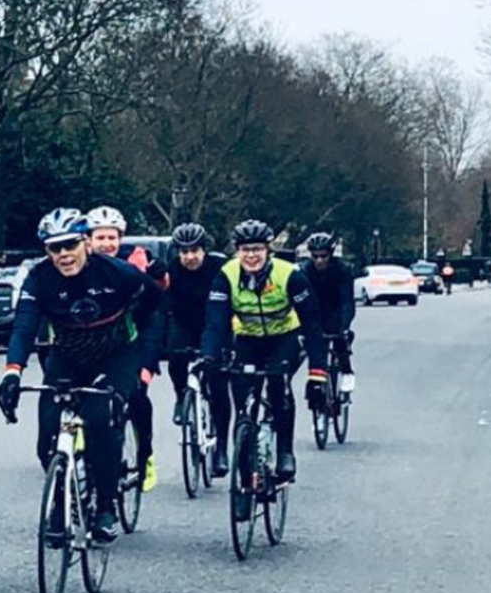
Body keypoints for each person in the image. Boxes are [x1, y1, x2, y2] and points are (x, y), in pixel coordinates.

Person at [0, 208, 163, 543]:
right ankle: (61, 502)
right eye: (54, 248)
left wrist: (144, 352)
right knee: (47, 435)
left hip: (115, 353)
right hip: (68, 355)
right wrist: (12, 373)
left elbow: (154, 303)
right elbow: (24, 326)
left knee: (100, 419)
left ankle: (106, 507)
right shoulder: (39, 279)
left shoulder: (117, 272)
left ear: (86, 242)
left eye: (70, 245)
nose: (64, 254)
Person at [201, 220, 327, 483]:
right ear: (237, 251)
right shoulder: (226, 275)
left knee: (278, 384)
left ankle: (285, 451)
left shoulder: (289, 275)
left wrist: (317, 373)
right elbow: (215, 323)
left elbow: (313, 326)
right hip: (248, 339)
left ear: (269, 250)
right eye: (245, 250)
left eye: (257, 249)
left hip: (285, 337)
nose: (251, 255)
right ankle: (245, 470)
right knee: (242, 400)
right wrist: (210, 357)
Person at [84, 205, 159, 490]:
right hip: (100, 343)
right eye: (100, 238)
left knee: (137, 393)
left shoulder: (133, 267)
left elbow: (154, 313)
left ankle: (145, 454)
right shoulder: (81, 267)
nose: (106, 244)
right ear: (89, 240)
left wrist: (147, 364)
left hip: (136, 336)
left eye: (112, 238)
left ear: (120, 239)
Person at [161, 224, 225, 474]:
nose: (189, 257)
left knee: (218, 384)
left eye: (194, 251)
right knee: (175, 359)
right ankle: (181, 397)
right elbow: (164, 304)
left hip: (214, 324)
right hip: (184, 323)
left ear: (204, 250)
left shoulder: (219, 267)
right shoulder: (172, 270)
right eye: (184, 252)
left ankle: (220, 448)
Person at [298, 232, 357, 414]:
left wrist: (344, 327)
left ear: (331, 255)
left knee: (341, 338)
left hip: (336, 309)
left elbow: (347, 302)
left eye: (323, 256)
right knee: (314, 345)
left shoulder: (342, 271)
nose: (319, 260)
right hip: (314, 311)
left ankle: (346, 371)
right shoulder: (304, 272)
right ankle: (317, 389)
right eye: (315, 256)